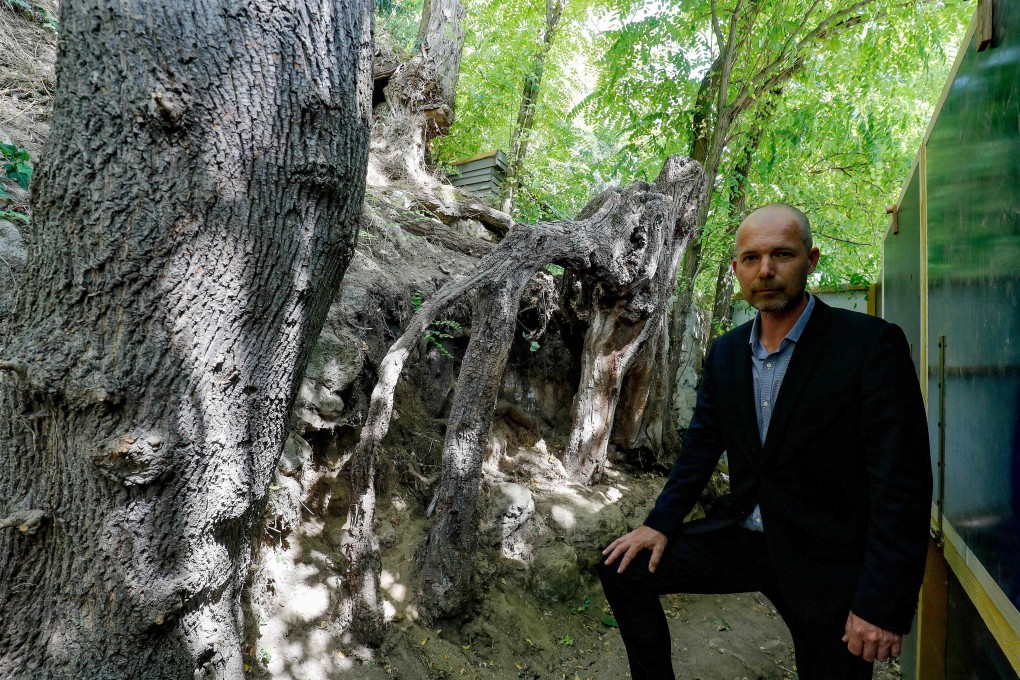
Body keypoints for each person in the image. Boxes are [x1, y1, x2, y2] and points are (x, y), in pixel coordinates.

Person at [599, 204, 932, 680]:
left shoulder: (868, 345)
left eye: (782, 254)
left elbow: (903, 482)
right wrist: (660, 523)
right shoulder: (727, 353)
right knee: (623, 570)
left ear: (811, 260)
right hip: (743, 539)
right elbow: (700, 447)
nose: (766, 271)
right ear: (736, 269)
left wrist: (881, 604)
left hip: (826, 557)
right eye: (751, 258)